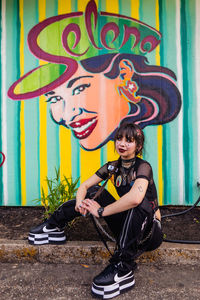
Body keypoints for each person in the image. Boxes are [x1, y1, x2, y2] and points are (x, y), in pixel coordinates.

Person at [28, 122, 163, 299]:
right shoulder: (113, 166)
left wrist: (101, 211)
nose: (122, 144)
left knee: (139, 203)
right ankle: (53, 226)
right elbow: (85, 186)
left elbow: (135, 199)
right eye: (119, 139)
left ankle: (123, 268)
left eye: (128, 141)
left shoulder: (143, 167)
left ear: (138, 146)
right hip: (127, 228)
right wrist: (79, 203)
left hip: (148, 234)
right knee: (94, 191)